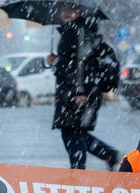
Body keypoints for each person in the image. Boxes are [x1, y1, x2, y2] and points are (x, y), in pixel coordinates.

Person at [46, 4, 119, 171]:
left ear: (79, 12)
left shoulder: (78, 32)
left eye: (71, 9)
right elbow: (68, 66)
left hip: (78, 92)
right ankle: (108, 155)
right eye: (64, 9)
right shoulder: (71, 31)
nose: (65, 13)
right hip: (71, 91)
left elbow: (82, 64)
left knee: (72, 133)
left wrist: (81, 92)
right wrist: (54, 61)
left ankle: (79, 171)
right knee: (73, 132)